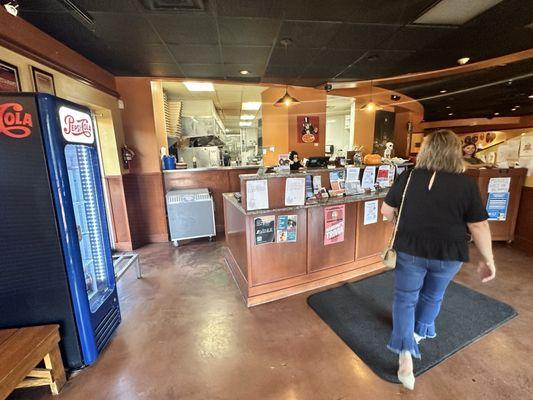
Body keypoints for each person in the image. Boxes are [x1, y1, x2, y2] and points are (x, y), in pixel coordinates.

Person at [381, 129, 496, 390]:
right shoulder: (466, 184)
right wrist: (489, 259)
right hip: (449, 253)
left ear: (427, 150)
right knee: (433, 296)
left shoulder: (409, 176)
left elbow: (386, 211)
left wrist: (400, 220)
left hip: (410, 249)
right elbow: (478, 226)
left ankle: (405, 355)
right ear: (456, 152)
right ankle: (418, 334)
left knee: (405, 298)